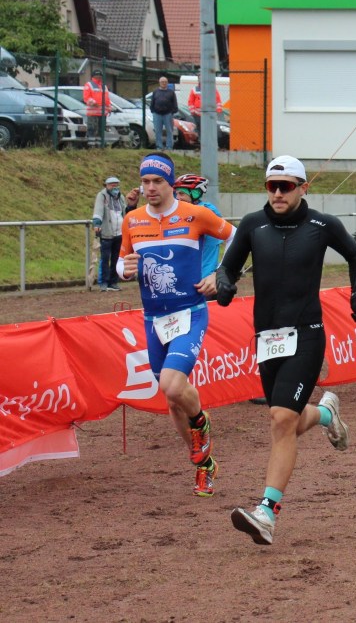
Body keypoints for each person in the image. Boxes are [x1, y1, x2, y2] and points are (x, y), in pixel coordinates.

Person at [216, 155, 356, 545]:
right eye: (272, 186)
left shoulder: (322, 225)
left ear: (304, 188)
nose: (278, 193)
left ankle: (266, 513)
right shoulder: (252, 225)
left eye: (286, 186)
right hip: (267, 338)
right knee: (285, 420)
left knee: (281, 419)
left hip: (307, 335)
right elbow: (227, 267)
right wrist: (224, 284)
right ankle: (325, 413)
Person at [117, 153, 236, 497]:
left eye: (157, 181)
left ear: (170, 184)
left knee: (171, 386)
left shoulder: (196, 215)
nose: (150, 187)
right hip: (153, 318)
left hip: (190, 313)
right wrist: (123, 270)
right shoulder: (132, 220)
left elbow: (237, 237)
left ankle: (200, 421)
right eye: (145, 181)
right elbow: (121, 263)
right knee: (172, 401)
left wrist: (220, 274)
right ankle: (204, 465)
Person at [173, 174, 224, 288]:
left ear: (195, 193)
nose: (177, 198)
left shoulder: (206, 210)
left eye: (181, 194)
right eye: (176, 194)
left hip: (205, 278)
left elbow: (232, 236)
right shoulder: (183, 211)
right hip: (185, 276)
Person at [92, 176, 127, 291]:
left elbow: (124, 212)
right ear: (107, 186)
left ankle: (113, 282)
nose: (114, 187)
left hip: (119, 233)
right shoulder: (102, 196)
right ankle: (103, 282)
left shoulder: (121, 197)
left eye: (116, 185)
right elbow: (98, 210)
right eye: (112, 185)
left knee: (117, 258)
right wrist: (97, 223)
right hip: (107, 232)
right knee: (105, 258)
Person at [82, 70, 112, 145]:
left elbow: (107, 99)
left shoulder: (104, 86)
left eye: (100, 76)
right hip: (93, 113)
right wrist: (94, 103)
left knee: (101, 130)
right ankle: (91, 146)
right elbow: (86, 98)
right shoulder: (89, 85)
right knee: (92, 129)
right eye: (97, 76)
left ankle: (99, 146)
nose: (98, 77)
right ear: (93, 76)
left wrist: (109, 107)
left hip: (103, 113)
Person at [151, 76, 178, 151]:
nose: (164, 83)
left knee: (169, 131)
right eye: (162, 82)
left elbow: (175, 103)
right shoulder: (155, 91)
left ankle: (169, 147)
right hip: (157, 114)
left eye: (165, 82)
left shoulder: (171, 92)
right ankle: (159, 147)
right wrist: (153, 110)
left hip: (168, 114)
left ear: (167, 83)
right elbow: (152, 102)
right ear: (159, 83)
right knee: (157, 131)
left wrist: (172, 112)